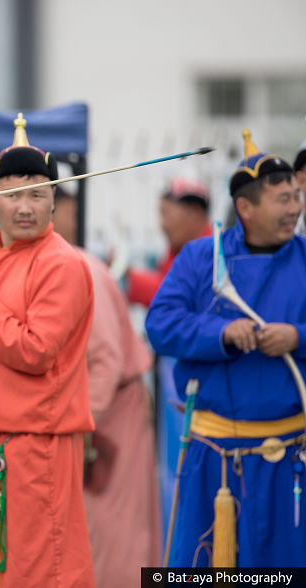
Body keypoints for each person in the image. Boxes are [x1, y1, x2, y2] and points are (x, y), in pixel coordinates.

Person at [146, 129, 306, 566]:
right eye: (283, 199)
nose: (295, 208)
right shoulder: (201, 257)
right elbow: (160, 324)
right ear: (246, 208)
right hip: (210, 458)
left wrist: (297, 336)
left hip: (288, 458)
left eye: (296, 196)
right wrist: (220, 333)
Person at [0, 113, 95, 587]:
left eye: (38, 193)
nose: (25, 206)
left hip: (38, 443)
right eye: (13, 194)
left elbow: (36, 351)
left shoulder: (62, 263)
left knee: (42, 571)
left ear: (56, 198)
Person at [54, 189, 160, 585]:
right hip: (87, 413)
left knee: (114, 534)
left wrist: (81, 428)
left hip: (106, 415)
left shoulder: (80, 267)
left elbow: (105, 363)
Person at [127, 178, 212, 306]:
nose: (162, 225)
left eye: (166, 214)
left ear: (193, 214)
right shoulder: (177, 252)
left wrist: (128, 280)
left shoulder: (215, 256)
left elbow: (176, 295)